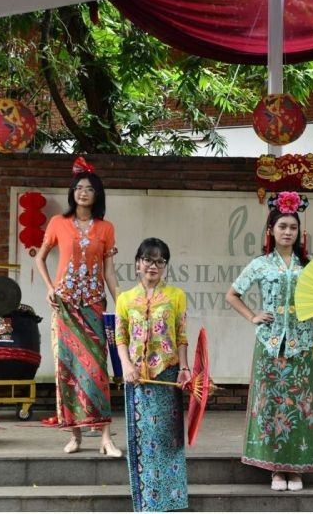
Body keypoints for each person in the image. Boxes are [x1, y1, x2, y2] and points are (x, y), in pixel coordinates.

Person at [225, 191, 313, 492]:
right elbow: (232, 294)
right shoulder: (260, 264)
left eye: (292, 227)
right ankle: (274, 469)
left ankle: (295, 469)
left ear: (299, 233)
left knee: (300, 405)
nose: (287, 232)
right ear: (271, 230)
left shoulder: (307, 267)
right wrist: (252, 316)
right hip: (270, 344)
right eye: (282, 226)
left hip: (300, 344)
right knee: (270, 404)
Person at [35, 157, 121, 457]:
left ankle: (106, 437)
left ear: (97, 195)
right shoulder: (58, 222)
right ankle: (75, 435)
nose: (83, 193)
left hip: (94, 305)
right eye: (79, 188)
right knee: (68, 369)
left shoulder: (106, 227)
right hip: (65, 305)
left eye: (89, 189)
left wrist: (121, 303)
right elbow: (40, 257)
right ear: (72, 193)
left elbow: (109, 271)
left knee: (98, 370)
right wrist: (49, 288)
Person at [115, 238, 190, 512]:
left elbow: (182, 336)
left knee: (168, 439)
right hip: (136, 378)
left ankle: (172, 501)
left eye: (160, 261)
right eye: (148, 259)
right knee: (143, 440)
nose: (153, 265)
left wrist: (183, 368)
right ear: (137, 264)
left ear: (165, 266)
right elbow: (120, 338)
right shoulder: (125, 299)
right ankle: (147, 503)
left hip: (166, 375)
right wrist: (126, 366)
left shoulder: (176, 296)